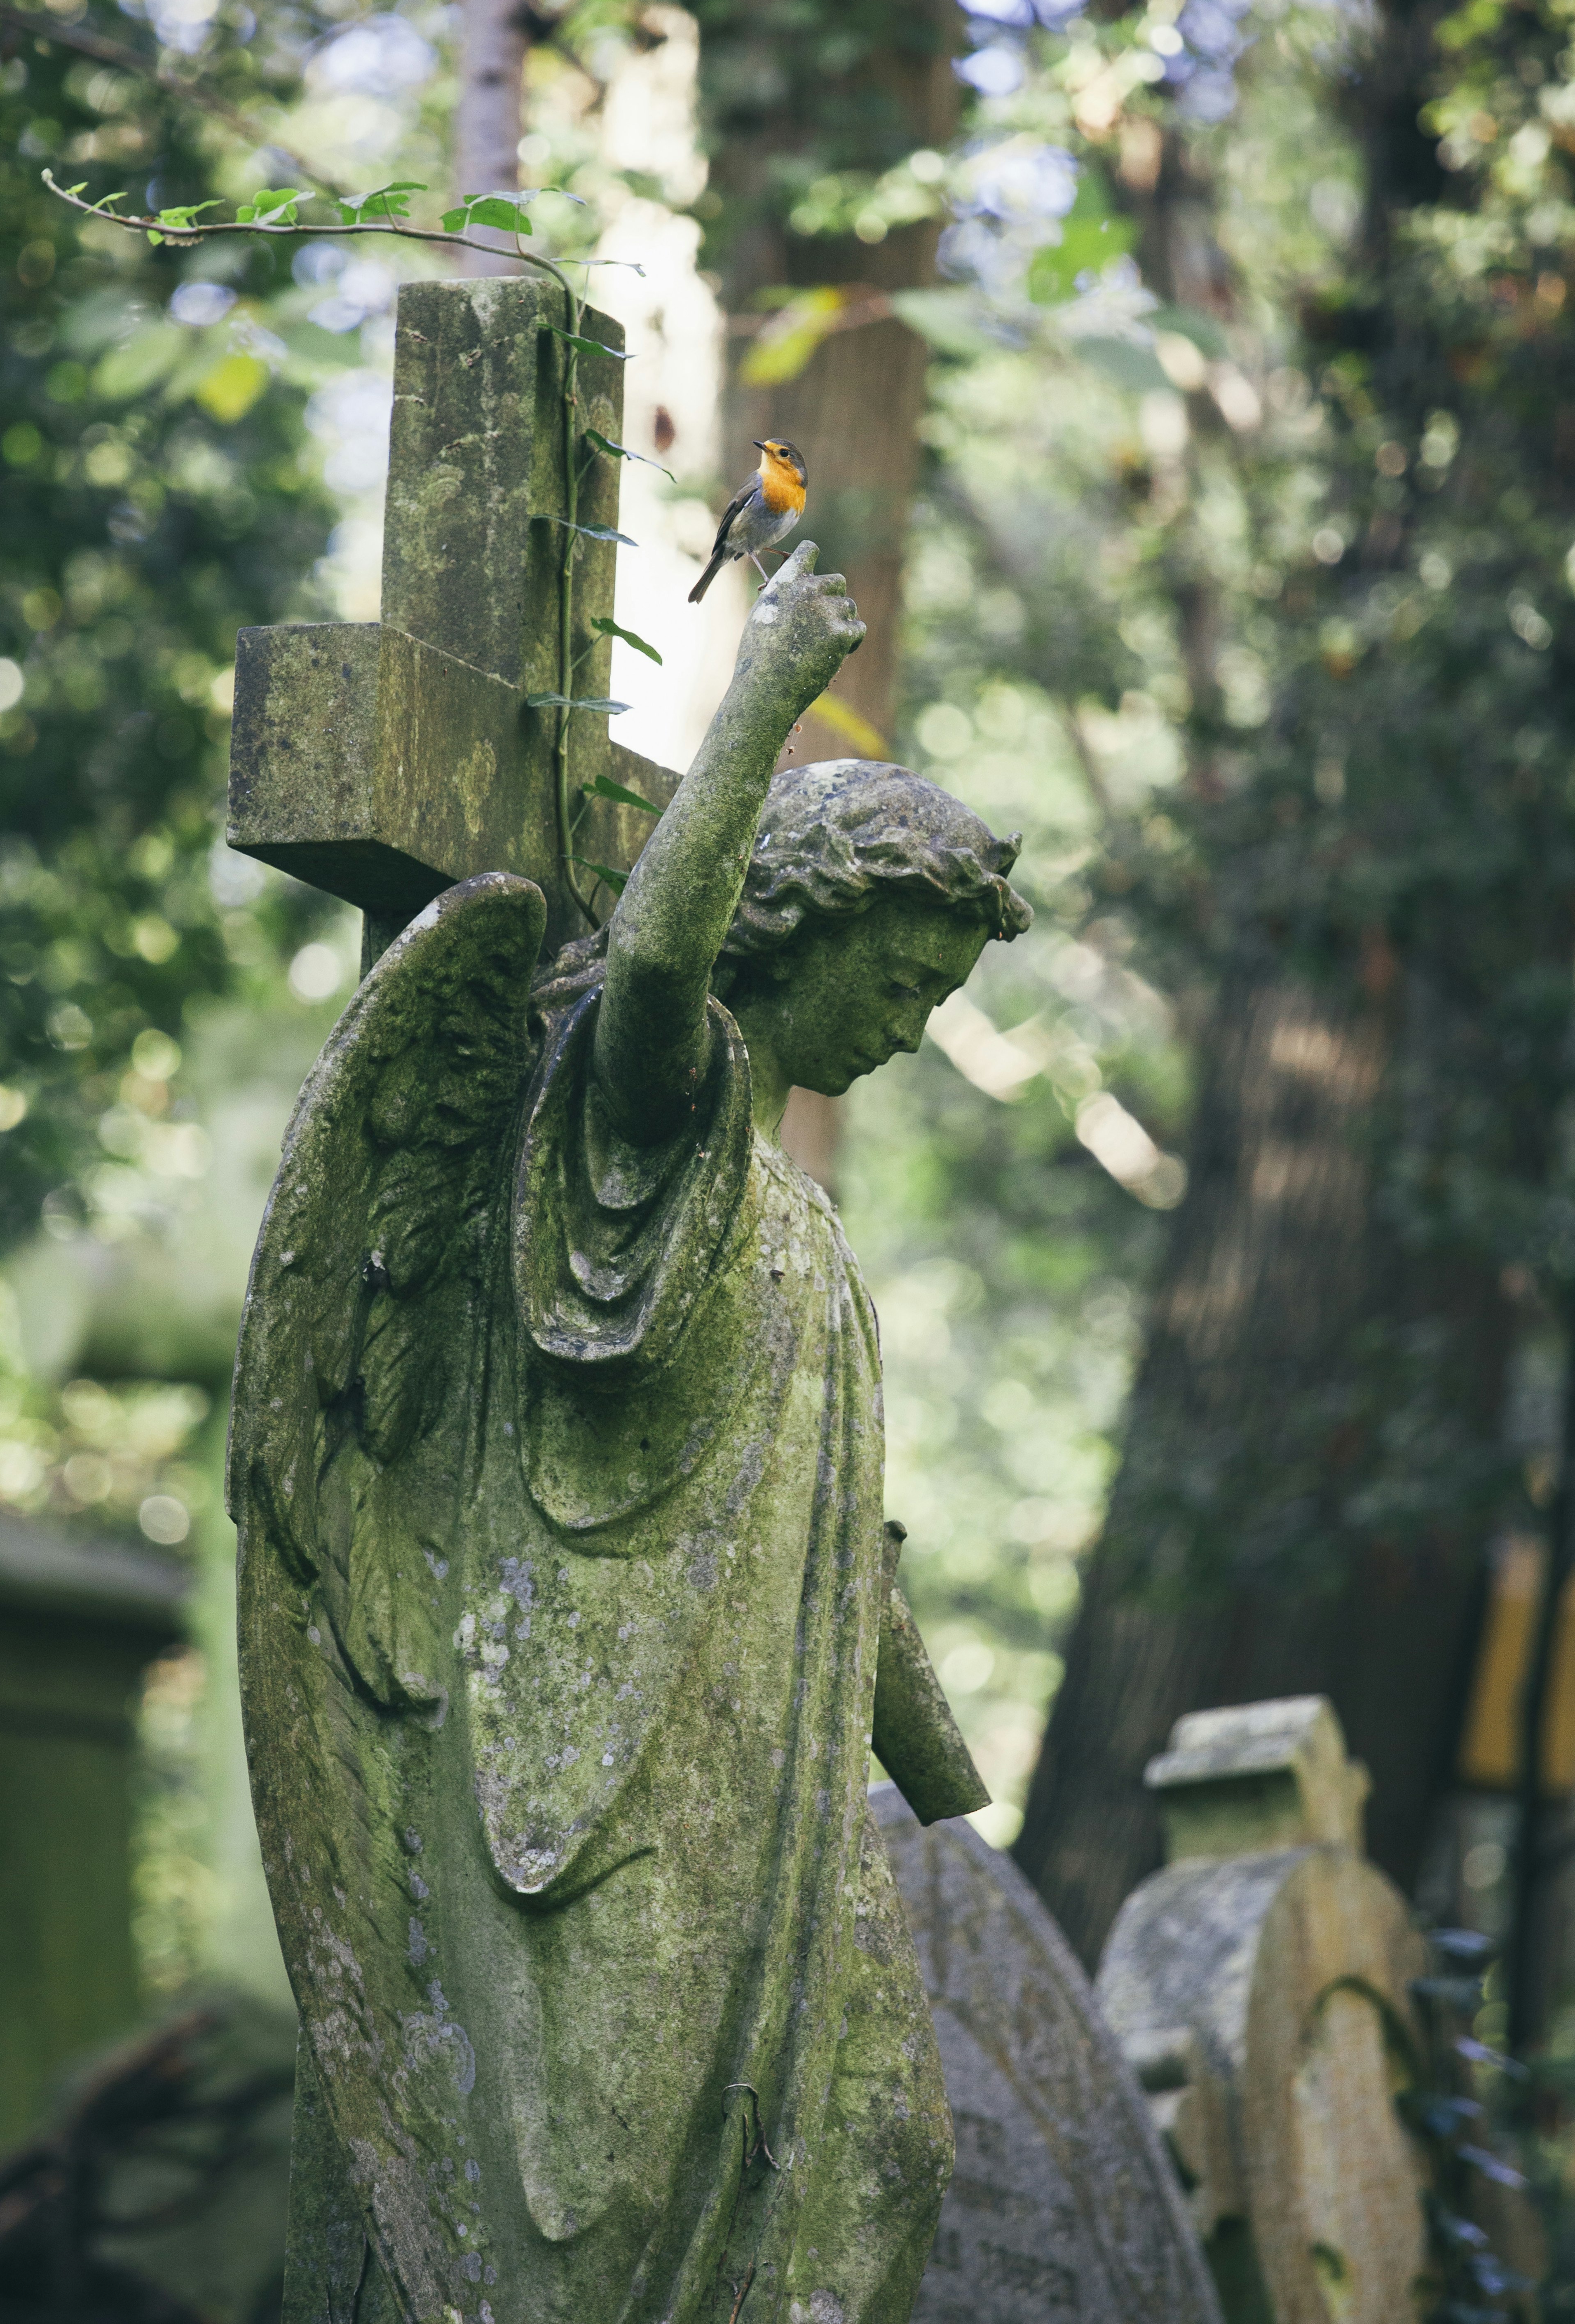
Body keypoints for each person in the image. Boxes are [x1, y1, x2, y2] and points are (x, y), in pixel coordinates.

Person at [233, 545, 1031, 2324]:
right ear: (798, 927)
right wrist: (764, 692)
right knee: (599, 2255)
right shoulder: (651, 1122)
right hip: (606, 1785)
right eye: (901, 989)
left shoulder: (803, 1230)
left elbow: (845, 1542)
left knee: (888, 2150)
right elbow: (661, 967)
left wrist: (963, 1804)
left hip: (771, 1777)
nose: (909, 1038)